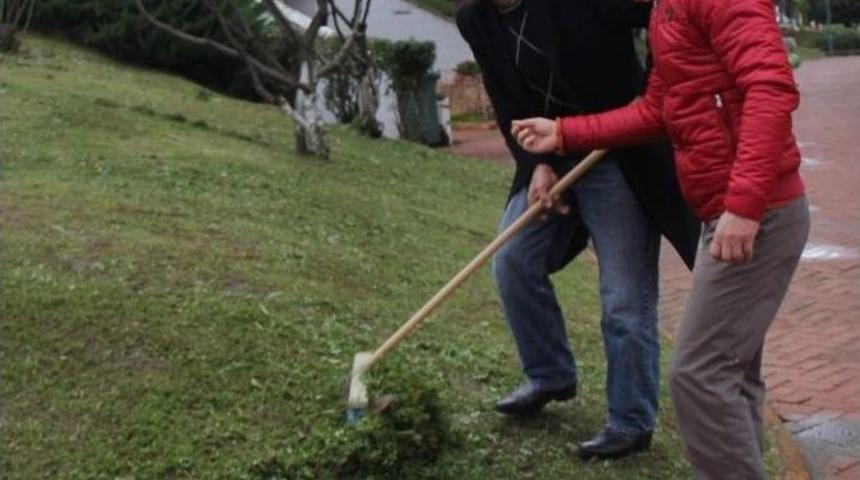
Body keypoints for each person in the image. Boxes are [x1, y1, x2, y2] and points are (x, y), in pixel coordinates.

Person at [511, 0, 810, 476]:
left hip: (758, 215)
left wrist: (744, 205)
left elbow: (770, 87)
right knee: (730, 373)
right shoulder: (664, 9)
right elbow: (658, 110)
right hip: (727, 211)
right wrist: (565, 133)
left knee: (698, 375)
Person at [455, 0, 700, 460]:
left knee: (624, 298)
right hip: (552, 155)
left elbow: (668, 15)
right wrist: (537, 165)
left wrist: (652, 91)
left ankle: (631, 420)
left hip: (613, 153)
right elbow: (506, 98)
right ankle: (549, 375)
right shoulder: (477, 18)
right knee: (513, 262)